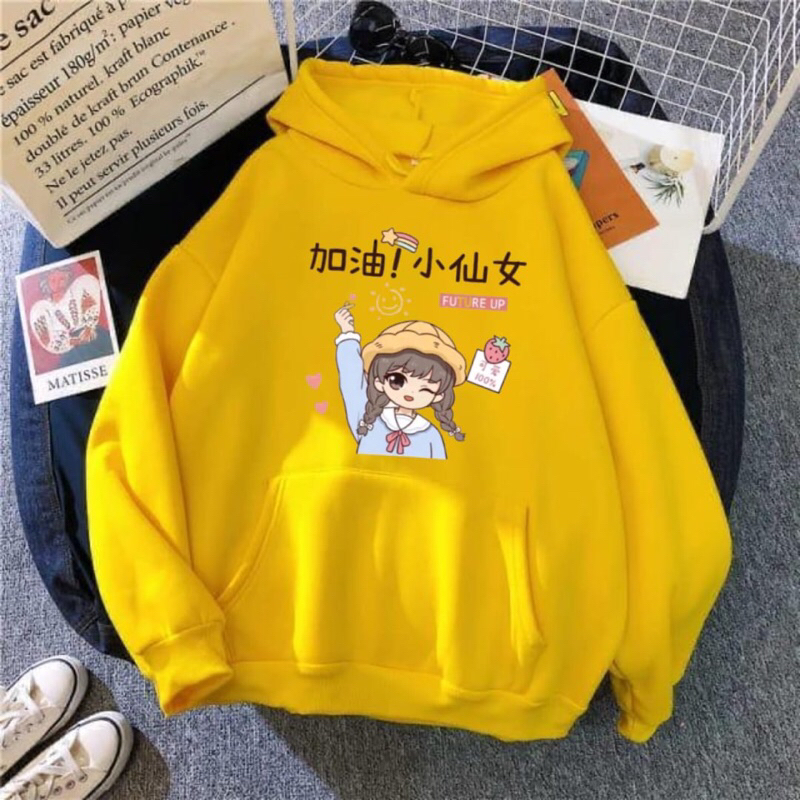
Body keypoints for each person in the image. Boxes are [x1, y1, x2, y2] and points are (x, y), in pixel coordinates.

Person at [334, 303, 467, 459]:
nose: (411, 392)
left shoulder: (431, 436)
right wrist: (347, 333)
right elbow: (351, 380)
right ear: (379, 382)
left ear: (438, 396)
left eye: (425, 389)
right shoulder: (368, 421)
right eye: (397, 381)